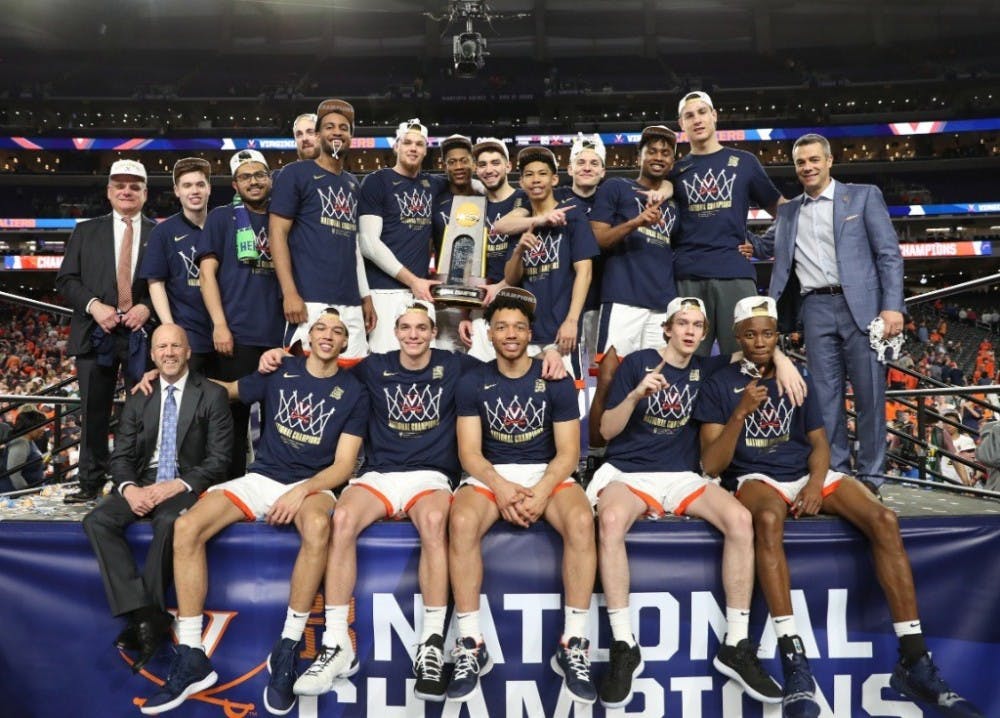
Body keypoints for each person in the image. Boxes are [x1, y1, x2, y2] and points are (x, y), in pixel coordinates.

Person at [694, 296, 982, 718]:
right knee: (769, 520)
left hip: (803, 473)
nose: (760, 341)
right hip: (756, 478)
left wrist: (814, 484)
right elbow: (711, 464)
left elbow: (819, 444)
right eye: (751, 334)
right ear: (737, 337)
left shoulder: (798, 376)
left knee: (883, 519)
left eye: (768, 333)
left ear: (778, 336)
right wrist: (740, 413)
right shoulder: (721, 383)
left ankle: (915, 658)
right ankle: (795, 663)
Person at [140, 309, 368, 716]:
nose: (328, 335)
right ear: (307, 337)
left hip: (313, 484)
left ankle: (288, 644)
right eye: (321, 328)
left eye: (338, 331)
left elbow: (343, 466)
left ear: (346, 343)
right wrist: (169, 378)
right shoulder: (280, 371)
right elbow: (225, 390)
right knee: (187, 525)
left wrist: (301, 492)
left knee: (318, 525)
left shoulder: (354, 391)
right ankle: (192, 653)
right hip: (261, 478)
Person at [590, 295, 812, 708]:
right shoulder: (639, 362)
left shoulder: (706, 369)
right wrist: (636, 394)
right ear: (668, 328)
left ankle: (737, 642)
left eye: (698, 326)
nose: (690, 331)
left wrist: (781, 358)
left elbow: (756, 343)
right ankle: (623, 643)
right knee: (611, 520)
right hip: (631, 472)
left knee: (741, 520)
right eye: (683, 324)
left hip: (682, 476)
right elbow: (603, 430)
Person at [447, 296, 597, 704]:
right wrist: (499, 486)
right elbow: (469, 454)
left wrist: (542, 491)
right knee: (460, 523)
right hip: (492, 474)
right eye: (501, 327)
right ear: (489, 333)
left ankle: (574, 644)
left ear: (530, 334)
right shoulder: (472, 381)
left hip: (543, 473)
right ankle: (470, 644)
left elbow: (568, 453)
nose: (510, 334)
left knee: (583, 521)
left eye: (518, 327)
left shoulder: (555, 377)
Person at [758, 133, 904, 492]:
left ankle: (871, 477)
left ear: (829, 161)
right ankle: (837, 471)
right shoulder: (789, 210)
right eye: (800, 162)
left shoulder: (864, 196)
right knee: (825, 398)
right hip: (815, 308)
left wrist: (892, 306)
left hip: (865, 310)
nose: (807, 167)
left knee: (870, 395)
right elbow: (765, 245)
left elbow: (888, 254)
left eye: (813, 160)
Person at [82, 324, 232, 673]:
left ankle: (145, 620)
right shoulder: (141, 395)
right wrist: (130, 488)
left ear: (188, 351)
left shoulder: (211, 395)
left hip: (186, 485)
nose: (168, 352)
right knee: (97, 520)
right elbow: (120, 456)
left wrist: (178, 485)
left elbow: (219, 460)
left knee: (169, 521)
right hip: (145, 482)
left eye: (175, 346)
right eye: (161, 346)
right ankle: (149, 614)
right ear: (152, 354)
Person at [57, 159, 156, 503]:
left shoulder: (160, 232)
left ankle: (134, 480)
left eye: (134, 186)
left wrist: (146, 306)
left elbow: (170, 283)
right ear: (109, 192)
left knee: (141, 413)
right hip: (93, 334)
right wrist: (94, 306)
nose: (126, 191)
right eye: (120, 185)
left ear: (145, 193)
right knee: (93, 412)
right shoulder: (86, 231)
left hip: (142, 336)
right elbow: (66, 279)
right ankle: (89, 482)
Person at [587, 125, 680, 469]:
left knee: (656, 383)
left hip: (662, 304)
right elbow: (598, 240)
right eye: (652, 151)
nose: (658, 157)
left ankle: (645, 456)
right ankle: (595, 458)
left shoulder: (674, 200)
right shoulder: (616, 187)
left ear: (673, 158)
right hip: (622, 298)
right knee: (609, 380)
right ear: (638, 155)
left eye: (665, 152)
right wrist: (637, 222)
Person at [671, 91, 784, 356]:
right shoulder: (675, 172)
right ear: (681, 124)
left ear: (714, 116)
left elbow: (784, 211)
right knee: (687, 364)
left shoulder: (745, 162)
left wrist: (761, 245)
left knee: (745, 359)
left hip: (734, 273)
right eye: (689, 115)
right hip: (688, 277)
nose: (697, 120)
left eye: (702, 112)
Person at [196, 149, 284, 477]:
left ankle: (276, 484)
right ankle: (230, 486)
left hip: (279, 333)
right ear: (235, 184)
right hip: (236, 334)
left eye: (259, 174)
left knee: (280, 417)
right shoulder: (221, 218)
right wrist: (219, 325)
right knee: (232, 419)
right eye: (245, 177)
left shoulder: (282, 216)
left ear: (270, 179)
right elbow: (206, 274)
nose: (254, 181)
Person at [269, 98, 373, 364]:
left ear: (351, 136)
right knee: (308, 379)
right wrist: (290, 293)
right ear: (318, 134)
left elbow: (354, 246)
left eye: (343, 127)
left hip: (349, 300)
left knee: (352, 380)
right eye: (329, 127)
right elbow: (277, 233)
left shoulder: (353, 184)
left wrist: (365, 297)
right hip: (309, 299)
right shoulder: (295, 174)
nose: (336, 132)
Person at [504, 146, 598, 381]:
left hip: (561, 329)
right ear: (522, 183)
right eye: (529, 174)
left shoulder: (572, 215)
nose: (536, 180)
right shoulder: (521, 223)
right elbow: (512, 278)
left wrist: (572, 321)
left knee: (568, 397)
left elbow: (584, 271)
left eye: (542, 173)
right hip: (527, 330)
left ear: (554, 179)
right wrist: (519, 251)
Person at [359, 118, 448, 352]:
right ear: (396, 146)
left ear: (426, 150)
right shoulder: (377, 181)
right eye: (407, 142)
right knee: (384, 359)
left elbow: (470, 185)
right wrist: (413, 281)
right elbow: (368, 244)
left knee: (422, 362)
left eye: (419, 144)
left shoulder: (434, 184)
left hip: (419, 291)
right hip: (385, 290)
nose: (413, 148)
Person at [139, 157, 215, 375]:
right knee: (190, 404)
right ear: (177, 191)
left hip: (225, 333)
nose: (195, 191)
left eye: (200, 184)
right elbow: (155, 283)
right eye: (187, 185)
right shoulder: (163, 232)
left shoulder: (222, 225)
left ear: (209, 188)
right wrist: (170, 328)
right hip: (188, 333)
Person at [459, 137, 521, 360]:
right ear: (476, 170)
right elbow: (467, 262)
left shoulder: (523, 199)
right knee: (481, 372)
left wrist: (501, 286)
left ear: (508, 166)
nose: (489, 169)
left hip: (518, 301)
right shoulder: (472, 207)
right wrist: (465, 313)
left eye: (495, 162)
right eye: (483, 164)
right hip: (482, 303)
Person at [431, 133, 478, 352]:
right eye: (452, 161)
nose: (458, 166)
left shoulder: (485, 197)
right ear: (444, 166)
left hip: (479, 297)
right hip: (446, 297)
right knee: (445, 357)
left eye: (464, 160)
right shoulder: (435, 200)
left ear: (473, 163)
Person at [0, 407, 49, 492]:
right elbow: (14, 475)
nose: (44, 429)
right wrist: (27, 493)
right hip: (14, 494)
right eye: (41, 425)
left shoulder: (29, 441)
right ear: (31, 426)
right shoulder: (21, 443)